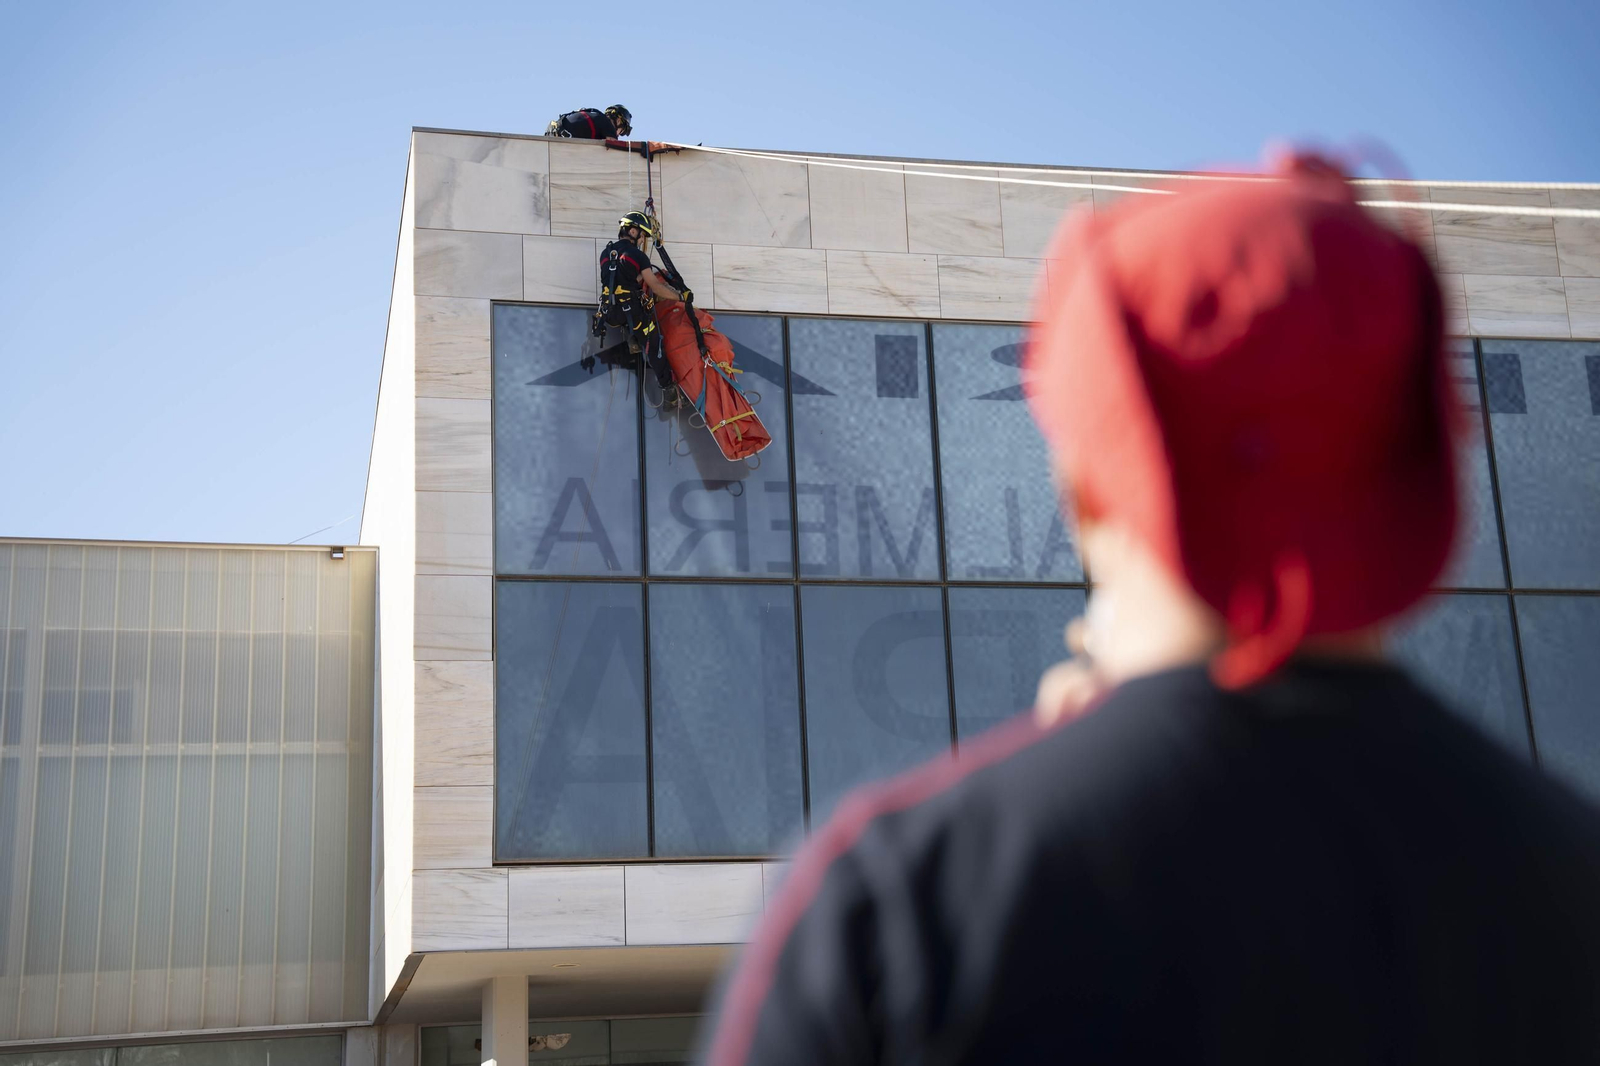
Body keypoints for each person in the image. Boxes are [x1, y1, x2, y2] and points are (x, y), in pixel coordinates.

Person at [696, 153, 1600, 1064]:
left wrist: (1071, 775)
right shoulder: (1572, 877)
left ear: (1086, 484)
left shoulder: (900, 907)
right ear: (1416, 464)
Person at [593, 211, 690, 394]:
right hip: (630, 310)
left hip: (609, 313)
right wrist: (680, 297)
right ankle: (669, 391)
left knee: (634, 321)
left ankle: (633, 337)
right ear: (632, 231)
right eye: (642, 235)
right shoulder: (637, 256)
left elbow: (619, 279)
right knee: (654, 343)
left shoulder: (606, 253)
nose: (641, 240)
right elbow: (655, 287)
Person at [547, 104, 632, 140]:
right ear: (618, 121)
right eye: (622, 132)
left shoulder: (596, 117)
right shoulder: (607, 124)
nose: (618, 135)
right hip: (562, 141)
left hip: (552, 133)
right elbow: (615, 151)